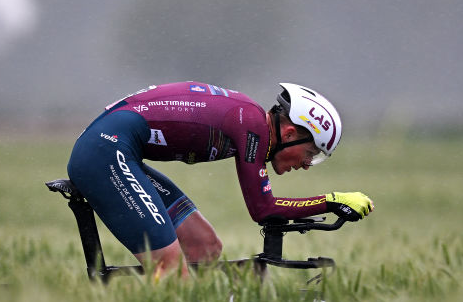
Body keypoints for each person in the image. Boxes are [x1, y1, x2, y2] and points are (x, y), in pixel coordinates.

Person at [66, 81, 374, 278]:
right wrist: (329, 201)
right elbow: (263, 210)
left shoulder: (251, 122)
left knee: (206, 246)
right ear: (289, 133)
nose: (307, 165)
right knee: (169, 267)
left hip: (114, 148)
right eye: (309, 153)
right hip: (104, 152)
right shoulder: (251, 126)